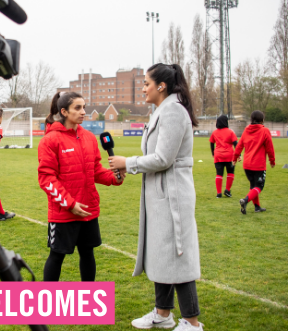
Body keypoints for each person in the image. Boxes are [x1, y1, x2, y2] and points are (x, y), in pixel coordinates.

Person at [109, 63, 203, 331]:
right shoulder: (164, 110)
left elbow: (163, 158)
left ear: (161, 86)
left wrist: (128, 162)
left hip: (172, 193)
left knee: (178, 254)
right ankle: (163, 314)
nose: (143, 88)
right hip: (160, 193)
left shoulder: (173, 111)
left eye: (146, 83)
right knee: (163, 253)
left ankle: (192, 322)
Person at [38, 91, 124, 282]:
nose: (83, 111)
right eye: (78, 108)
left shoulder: (89, 138)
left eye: (84, 107)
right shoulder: (50, 140)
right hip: (64, 212)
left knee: (87, 253)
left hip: (88, 210)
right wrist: (70, 204)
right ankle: (44, 304)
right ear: (64, 112)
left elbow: (95, 170)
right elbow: (46, 179)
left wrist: (114, 177)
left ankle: (88, 300)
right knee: (57, 255)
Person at [232, 110, 275, 214]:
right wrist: (272, 160)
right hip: (258, 164)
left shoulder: (246, 130)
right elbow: (270, 147)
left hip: (247, 164)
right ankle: (245, 201)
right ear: (262, 120)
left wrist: (235, 158)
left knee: (253, 185)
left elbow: (239, 145)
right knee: (259, 186)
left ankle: (257, 207)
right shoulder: (265, 131)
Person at [209, 115, 238, 198]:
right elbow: (236, 143)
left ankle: (219, 193)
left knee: (219, 174)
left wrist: (213, 153)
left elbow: (211, 143)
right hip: (229, 155)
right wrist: (238, 154)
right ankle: (227, 190)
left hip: (218, 155)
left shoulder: (215, 132)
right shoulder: (230, 132)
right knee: (230, 172)